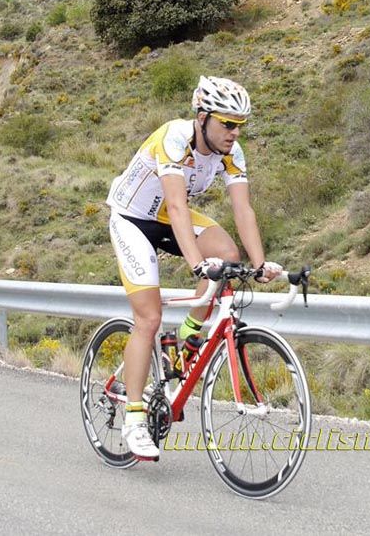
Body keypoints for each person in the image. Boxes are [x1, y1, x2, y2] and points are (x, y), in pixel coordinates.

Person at [105, 75, 283, 460]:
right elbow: (178, 203)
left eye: (240, 125)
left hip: (166, 217)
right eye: (227, 123)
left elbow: (243, 208)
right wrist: (197, 265)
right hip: (133, 219)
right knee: (148, 319)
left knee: (229, 254)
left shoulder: (232, 153)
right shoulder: (174, 137)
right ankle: (134, 419)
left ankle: (185, 341)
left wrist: (260, 263)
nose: (234, 133)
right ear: (202, 117)